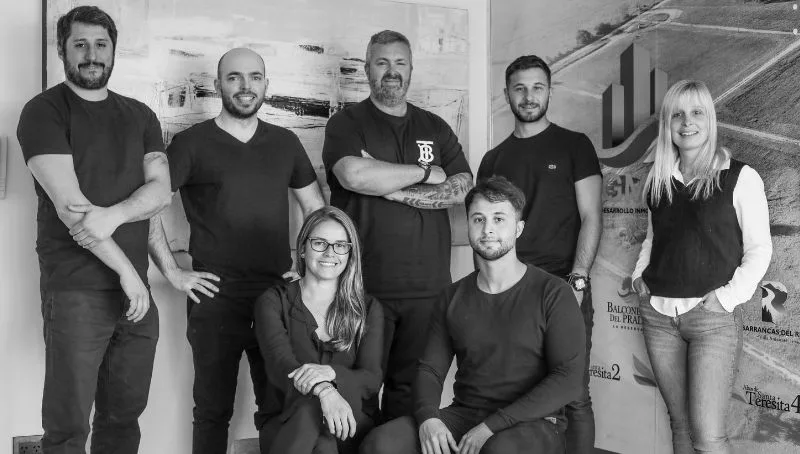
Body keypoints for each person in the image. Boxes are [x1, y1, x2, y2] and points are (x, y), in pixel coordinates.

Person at [146, 48, 325, 454]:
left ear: (266, 84)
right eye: (234, 77)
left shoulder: (285, 142)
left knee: (279, 408)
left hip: (277, 296)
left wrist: (308, 268)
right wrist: (172, 271)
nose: (246, 86)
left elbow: (315, 209)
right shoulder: (191, 143)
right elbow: (149, 206)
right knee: (212, 411)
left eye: (255, 77)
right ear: (217, 85)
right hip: (214, 299)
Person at [16, 6, 171, 453]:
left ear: (113, 50)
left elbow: (160, 193)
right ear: (62, 49)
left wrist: (114, 215)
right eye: (80, 44)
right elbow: (72, 210)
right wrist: (127, 273)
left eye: (101, 44)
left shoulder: (140, 115)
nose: (91, 54)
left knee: (123, 421)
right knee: (67, 429)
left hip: (136, 296)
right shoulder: (43, 112)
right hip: (76, 292)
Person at [361, 176, 586, 454]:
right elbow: (430, 369)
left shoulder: (553, 292)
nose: (487, 229)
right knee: (381, 443)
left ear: (518, 228)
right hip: (467, 414)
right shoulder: (452, 296)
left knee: (499, 450)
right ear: (468, 225)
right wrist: (428, 418)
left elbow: (568, 379)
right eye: (478, 219)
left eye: (499, 219)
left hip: (533, 422)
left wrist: (491, 426)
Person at [322, 30, 473, 421]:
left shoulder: (434, 126)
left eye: (400, 62)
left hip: (427, 289)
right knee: (356, 392)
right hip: (362, 287)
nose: (392, 71)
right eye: (382, 62)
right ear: (367, 68)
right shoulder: (346, 123)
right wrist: (426, 172)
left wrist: (391, 186)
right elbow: (354, 175)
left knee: (411, 395)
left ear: (410, 69)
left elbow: (461, 187)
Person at [631, 80, 772, 454]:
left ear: (709, 119)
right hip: (659, 317)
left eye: (696, 112)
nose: (687, 122)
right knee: (680, 427)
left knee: (708, 437)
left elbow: (760, 249)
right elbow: (653, 238)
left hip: (712, 321)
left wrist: (726, 299)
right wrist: (638, 276)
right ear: (668, 124)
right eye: (677, 114)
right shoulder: (659, 179)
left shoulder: (740, 177)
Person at [476, 54, 602, 453]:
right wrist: (488, 292)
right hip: (510, 292)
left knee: (574, 395)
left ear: (549, 91)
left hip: (563, 287)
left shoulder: (574, 146)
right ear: (507, 95)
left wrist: (577, 281)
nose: (529, 96)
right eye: (520, 88)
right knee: (513, 394)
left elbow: (591, 216)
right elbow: (486, 233)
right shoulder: (493, 160)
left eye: (537, 87)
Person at [254, 206, 384, 454]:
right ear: (303, 248)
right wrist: (324, 391)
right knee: (313, 420)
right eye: (320, 243)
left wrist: (331, 374)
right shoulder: (273, 302)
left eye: (340, 245)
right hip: (287, 422)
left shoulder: (368, 308)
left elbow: (371, 378)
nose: (330, 252)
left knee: (322, 435)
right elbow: (281, 365)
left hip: (349, 421)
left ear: (350, 253)